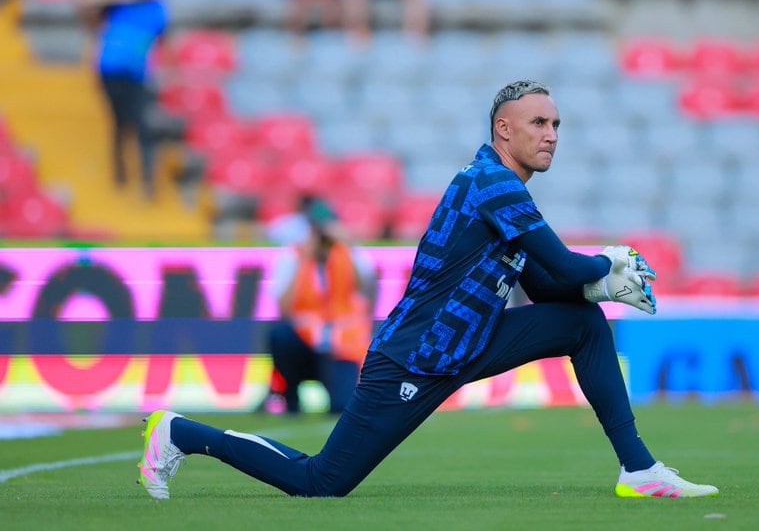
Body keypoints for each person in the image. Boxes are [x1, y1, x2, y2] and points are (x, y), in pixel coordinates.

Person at [137, 80, 719, 500]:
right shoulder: (492, 182)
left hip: (468, 342)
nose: (551, 135)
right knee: (321, 483)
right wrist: (604, 267)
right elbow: (566, 268)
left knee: (582, 324)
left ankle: (638, 469)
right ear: (503, 128)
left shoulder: (501, 187)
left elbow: (548, 285)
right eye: (539, 123)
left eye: (556, 124)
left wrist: (595, 285)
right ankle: (179, 433)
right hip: (415, 355)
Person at [257, 197, 378, 416]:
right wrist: (304, 260)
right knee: (280, 335)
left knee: (342, 407)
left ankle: (335, 392)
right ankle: (290, 395)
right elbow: (284, 308)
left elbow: (366, 292)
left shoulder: (351, 254)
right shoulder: (293, 257)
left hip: (340, 346)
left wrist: (347, 247)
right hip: (305, 342)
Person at [76, 0, 170, 200]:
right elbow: (91, 17)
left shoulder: (155, 8)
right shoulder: (119, 3)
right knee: (120, 122)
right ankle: (121, 176)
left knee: (138, 124)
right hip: (110, 71)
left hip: (136, 74)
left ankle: (146, 180)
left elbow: (163, 39)